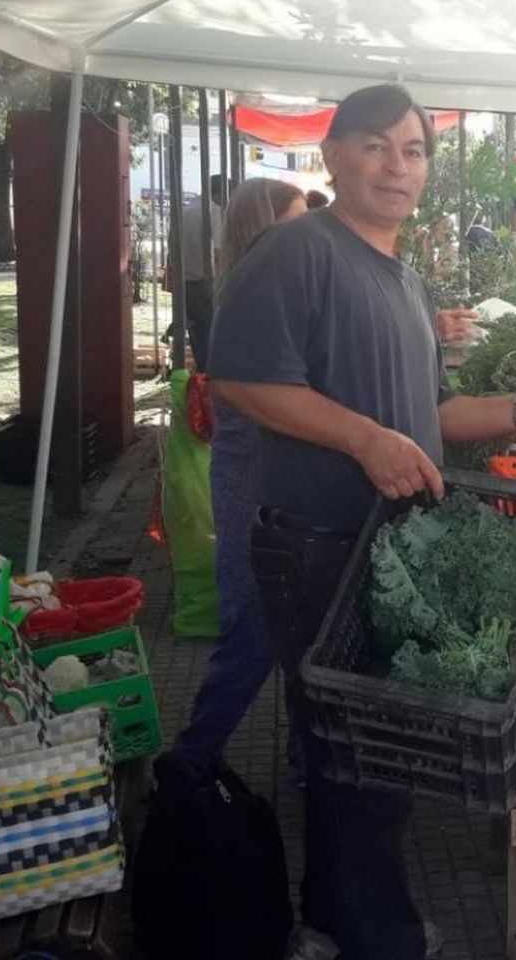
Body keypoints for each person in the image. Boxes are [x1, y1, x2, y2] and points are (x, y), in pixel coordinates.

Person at [209, 84, 516, 960]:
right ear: (335, 155)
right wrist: (363, 437)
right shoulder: (299, 251)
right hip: (316, 543)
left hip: (380, 549)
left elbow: (434, 412)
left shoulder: (405, 279)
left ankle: (338, 923)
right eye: (376, 146)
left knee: (365, 759)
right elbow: (241, 378)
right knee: (355, 760)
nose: (397, 165)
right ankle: (376, 939)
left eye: (413, 150)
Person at [173, 178, 306, 771]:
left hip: (274, 482)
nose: (308, 237)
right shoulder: (255, 299)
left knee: (306, 633)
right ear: (264, 229)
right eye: (296, 224)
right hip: (252, 487)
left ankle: (310, 762)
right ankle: (190, 761)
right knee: (252, 638)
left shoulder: (273, 287)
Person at [177, 175, 226, 371]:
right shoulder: (213, 212)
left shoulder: (184, 210)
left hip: (187, 283)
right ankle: (210, 378)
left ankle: (202, 376)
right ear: (218, 193)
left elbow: (173, 248)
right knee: (213, 333)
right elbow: (219, 253)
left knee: (197, 334)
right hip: (208, 282)